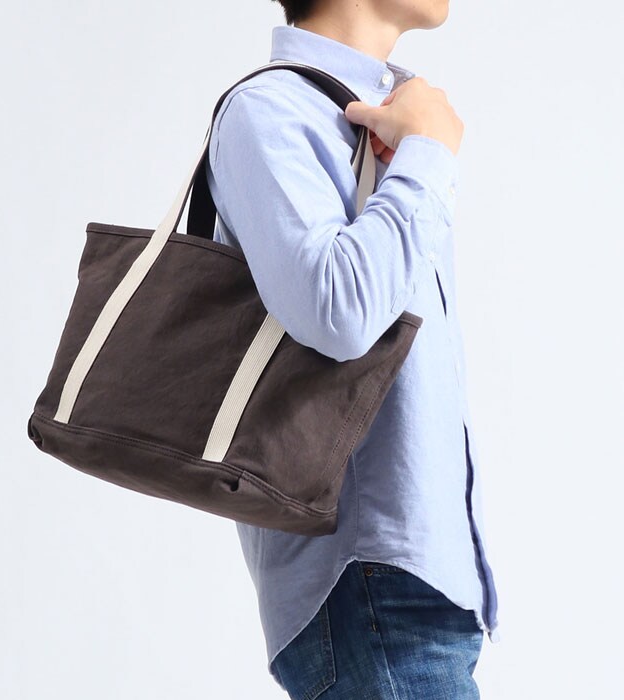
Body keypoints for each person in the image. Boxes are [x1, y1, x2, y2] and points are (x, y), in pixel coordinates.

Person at [205, 2, 501, 698]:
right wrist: (427, 154)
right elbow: (338, 311)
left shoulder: (395, 117)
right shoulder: (271, 111)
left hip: (411, 584)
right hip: (368, 584)